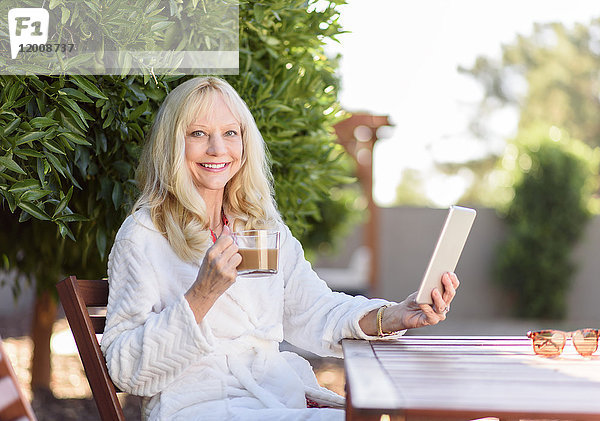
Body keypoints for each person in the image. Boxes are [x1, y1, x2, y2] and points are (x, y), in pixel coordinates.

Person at [100, 76, 459, 421]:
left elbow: (316, 310)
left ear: (244, 142)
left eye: (230, 133)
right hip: (198, 406)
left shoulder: (259, 228)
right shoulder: (146, 234)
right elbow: (124, 368)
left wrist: (396, 315)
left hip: (272, 397)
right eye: (198, 134)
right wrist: (200, 296)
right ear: (173, 144)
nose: (217, 148)